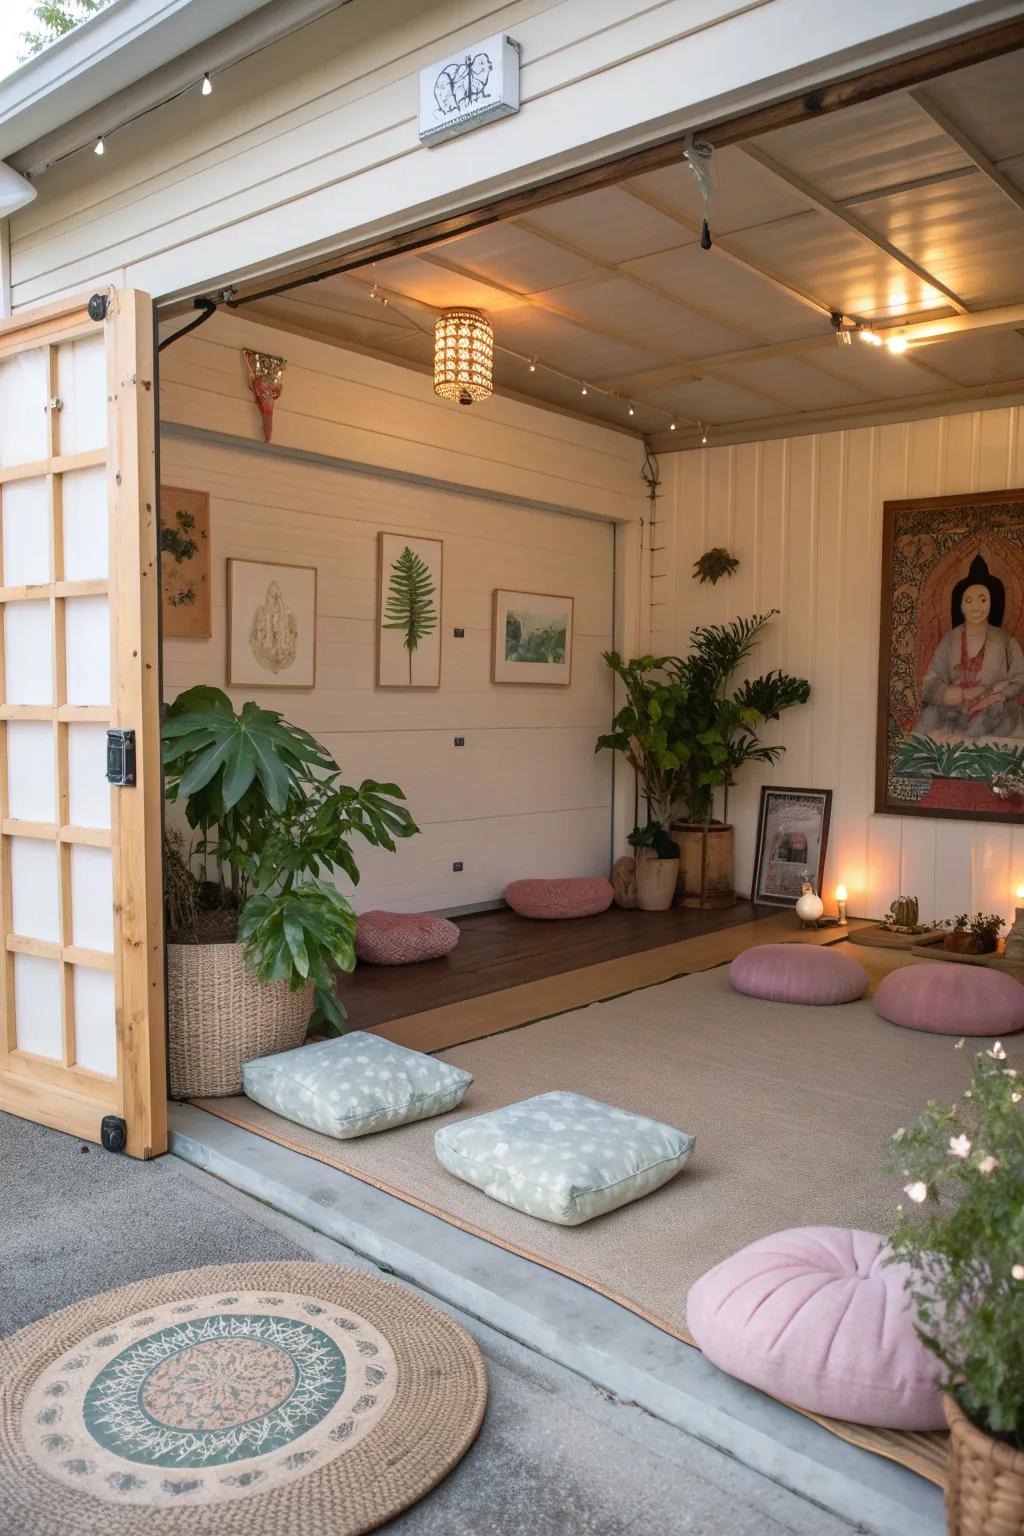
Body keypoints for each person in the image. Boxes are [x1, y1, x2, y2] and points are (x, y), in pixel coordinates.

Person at [914, 553, 1024, 739]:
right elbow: (929, 685)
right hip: (955, 712)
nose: (976, 607)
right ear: (961, 605)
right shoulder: (949, 641)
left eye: (982, 600)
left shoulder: (1006, 641)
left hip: (994, 712)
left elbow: (1021, 678)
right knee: (930, 715)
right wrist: (962, 695)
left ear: (992, 604)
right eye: (969, 600)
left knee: (1004, 713)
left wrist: (996, 695)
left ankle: (968, 745)